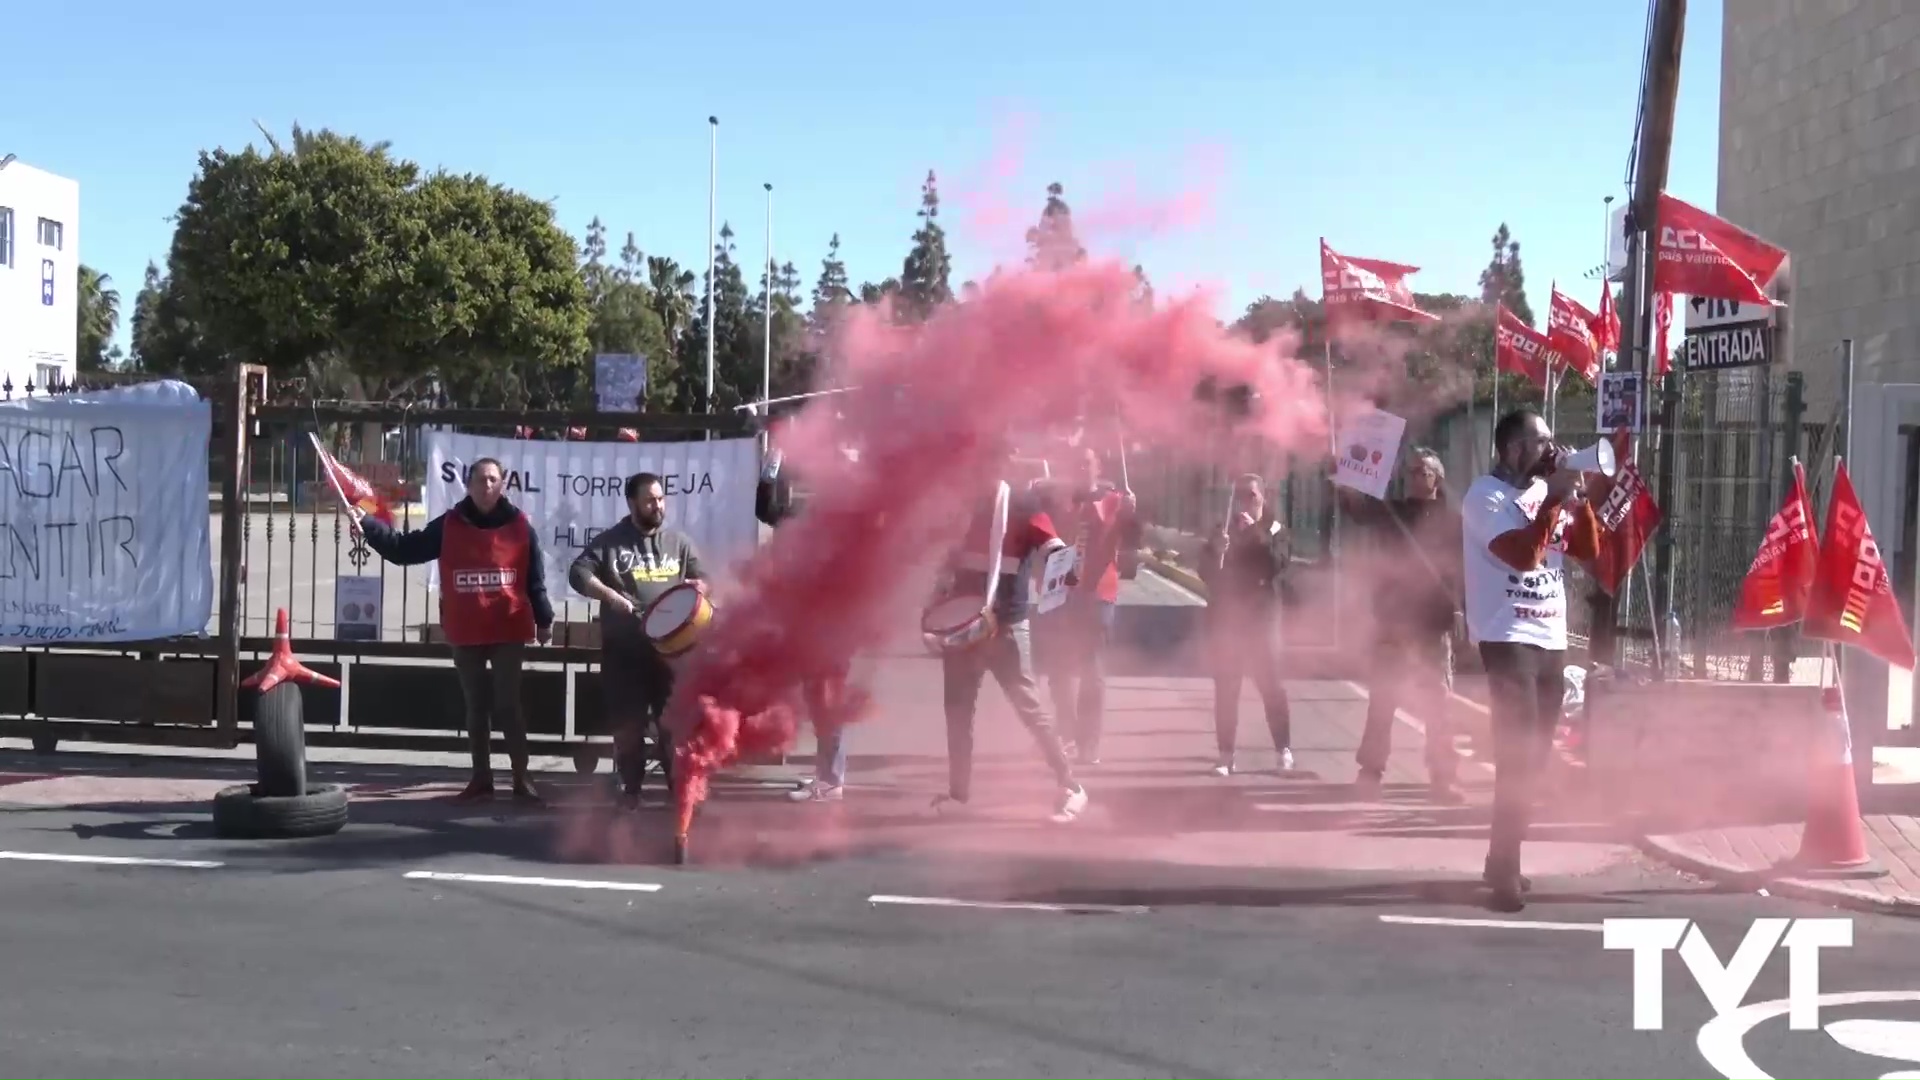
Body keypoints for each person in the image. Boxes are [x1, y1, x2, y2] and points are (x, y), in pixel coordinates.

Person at [1461, 408, 1601, 912]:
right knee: (1517, 753)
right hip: (1507, 636)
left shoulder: (1549, 492)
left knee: (1537, 759)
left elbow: (1588, 548)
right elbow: (1521, 555)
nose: (1552, 449)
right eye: (1543, 442)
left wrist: (1576, 497)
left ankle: (1501, 859)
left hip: (1549, 638)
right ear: (1515, 449)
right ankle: (1506, 872)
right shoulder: (1485, 496)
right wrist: (1554, 501)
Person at [358, 457, 553, 804]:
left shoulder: (521, 527)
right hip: (466, 630)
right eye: (480, 480)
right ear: (469, 485)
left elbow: (534, 579)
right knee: (476, 706)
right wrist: (369, 526)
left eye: (493, 480)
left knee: (508, 705)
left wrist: (545, 619)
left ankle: (523, 778)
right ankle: (482, 778)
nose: (487, 486)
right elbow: (405, 550)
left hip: (508, 627)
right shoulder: (449, 524)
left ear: (503, 484)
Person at [932, 464, 1089, 824]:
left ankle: (1071, 786)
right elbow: (947, 561)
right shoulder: (961, 506)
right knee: (957, 712)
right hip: (963, 624)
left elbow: (1051, 544)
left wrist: (1065, 567)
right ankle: (959, 792)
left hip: (1006, 625)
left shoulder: (1020, 502)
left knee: (1028, 708)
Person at [568, 471, 707, 810]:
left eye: (660, 499)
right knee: (628, 726)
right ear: (632, 503)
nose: (657, 505)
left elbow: (702, 579)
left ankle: (681, 795)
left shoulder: (679, 542)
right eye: (649, 500)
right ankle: (631, 791)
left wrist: (698, 591)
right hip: (625, 654)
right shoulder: (610, 542)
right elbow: (578, 573)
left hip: (671, 653)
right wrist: (611, 596)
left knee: (675, 725)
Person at [1337, 447, 1465, 804]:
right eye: (1409, 471)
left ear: (1436, 478)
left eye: (1420, 471)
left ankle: (1443, 777)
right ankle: (1370, 771)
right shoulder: (1394, 512)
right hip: (1393, 622)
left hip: (1433, 625)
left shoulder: (1453, 520)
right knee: (1383, 698)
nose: (1412, 477)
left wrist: (1460, 613)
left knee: (1438, 703)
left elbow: (1462, 571)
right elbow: (1358, 511)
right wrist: (1342, 479)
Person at [756, 447, 853, 803]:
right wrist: (772, 467)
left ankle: (831, 780)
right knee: (819, 698)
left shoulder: (846, 525)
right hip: (811, 623)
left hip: (834, 626)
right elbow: (767, 511)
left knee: (828, 699)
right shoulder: (803, 517)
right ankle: (826, 775)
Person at [1045, 446, 1139, 767]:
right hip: (1062, 594)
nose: (1082, 469)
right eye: (1077, 465)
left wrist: (1132, 513)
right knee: (1058, 669)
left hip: (1098, 594)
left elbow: (1131, 538)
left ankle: (1088, 741)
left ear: (1098, 467)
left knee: (1091, 669)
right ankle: (1067, 732)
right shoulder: (1060, 501)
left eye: (1087, 464)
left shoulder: (1112, 500)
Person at [1199, 474, 1294, 776]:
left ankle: (1283, 749)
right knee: (1227, 686)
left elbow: (1275, 563)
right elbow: (1206, 572)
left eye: (1251, 495)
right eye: (1241, 494)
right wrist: (1216, 552)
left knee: (1271, 685)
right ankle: (1226, 754)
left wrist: (1253, 532)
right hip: (1229, 618)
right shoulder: (1223, 529)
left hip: (1263, 617)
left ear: (1263, 498)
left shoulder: (1275, 529)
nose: (1245, 501)